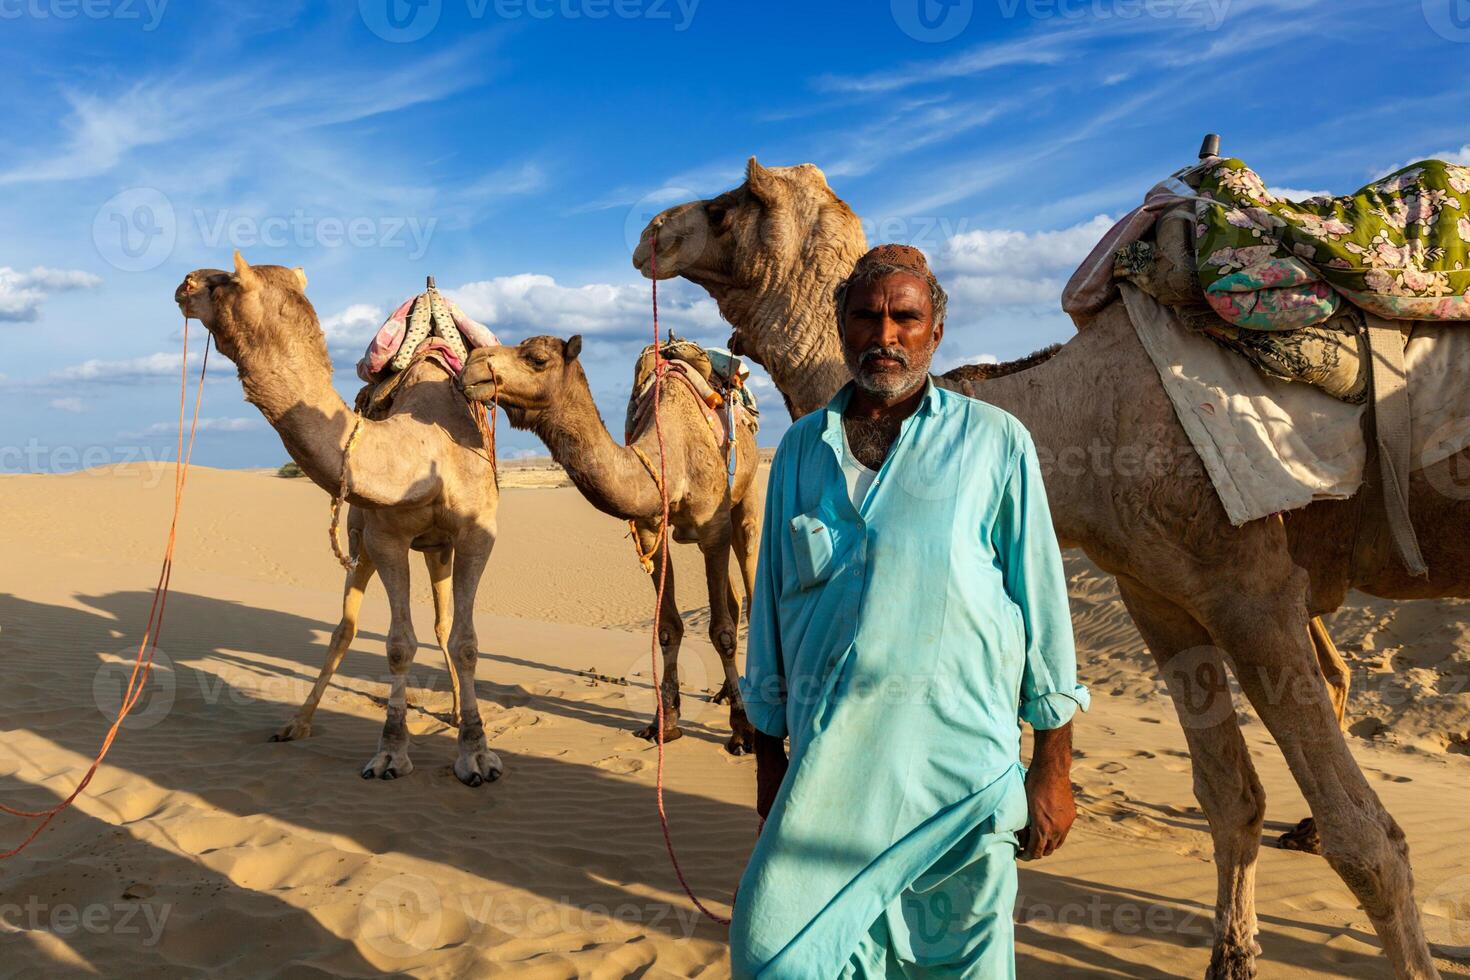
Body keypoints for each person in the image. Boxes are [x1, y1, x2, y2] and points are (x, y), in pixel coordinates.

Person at [730, 245, 1088, 978]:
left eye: (905, 317)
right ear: (841, 327)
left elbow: (1042, 606)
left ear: (935, 331)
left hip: (957, 778)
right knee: (772, 955)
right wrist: (771, 770)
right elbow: (770, 616)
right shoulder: (800, 450)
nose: (885, 336)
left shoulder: (995, 444)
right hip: (829, 782)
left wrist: (1052, 765)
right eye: (867, 317)